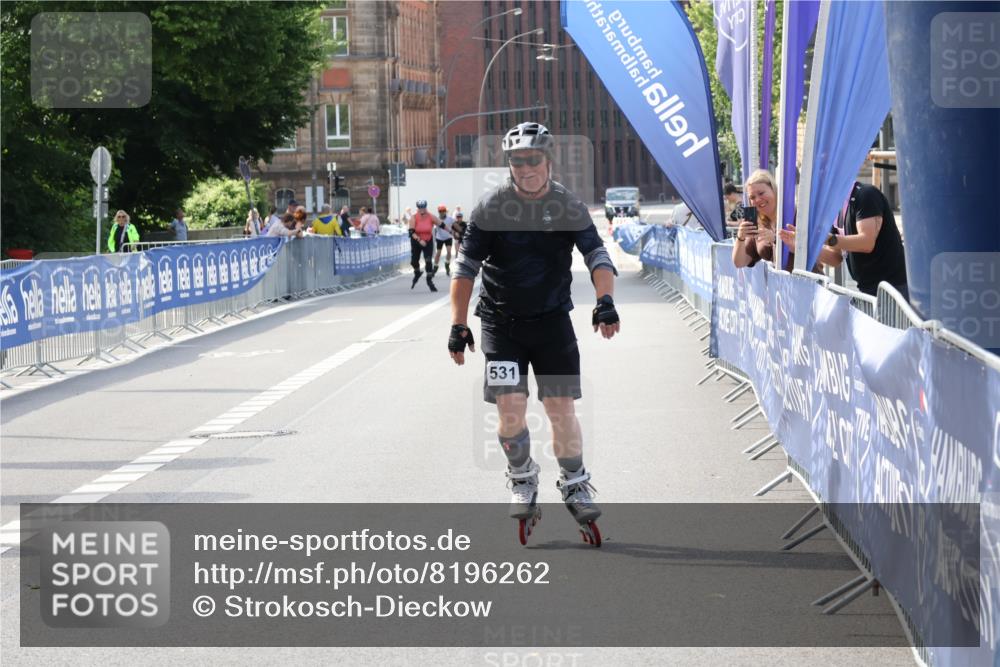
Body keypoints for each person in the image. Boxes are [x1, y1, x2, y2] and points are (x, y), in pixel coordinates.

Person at [448, 121, 619, 545]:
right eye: (516, 160)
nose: (524, 167)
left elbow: (596, 253)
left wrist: (605, 300)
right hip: (501, 325)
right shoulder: (491, 207)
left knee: (561, 410)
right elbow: (465, 266)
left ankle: (575, 482)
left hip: (551, 322)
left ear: (548, 160)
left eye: (532, 159)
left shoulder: (567, 205)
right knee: (510, 410)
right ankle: (522, 477)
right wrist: (458, 323)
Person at [779, 181, 908, 298]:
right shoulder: (834, 207)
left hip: (895, 288)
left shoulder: (865, 195)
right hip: (869, 290)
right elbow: (835, 258)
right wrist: (803, 246)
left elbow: (867, 243)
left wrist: (827, 239)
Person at [731, 169, 798, 271]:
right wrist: (740, 237)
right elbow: (739, 262)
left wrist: (775, 239)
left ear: (773, 190)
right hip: (779, 285)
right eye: (752, 197)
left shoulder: (794, 214)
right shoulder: (757, 223)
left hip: (807, 283)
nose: (757, 200)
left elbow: (808, 251)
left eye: (761, 193)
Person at [408, 200, 439, 292]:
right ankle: (417, 272)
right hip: (416, 241)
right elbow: (411, 232)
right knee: (414, 261)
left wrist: (451, 231)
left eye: (423, 207)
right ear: (417, 208)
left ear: (426, 207)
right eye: (420, 208)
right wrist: (419, 240)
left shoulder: (430, 216)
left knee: (428, 260)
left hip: (428, 240)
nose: (422, 209)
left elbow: (441, 224)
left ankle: (429, 280)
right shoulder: (413, 217)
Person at [432, 204, 454, 276]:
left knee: (449, 251)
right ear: (438, 212)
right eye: (440, 211)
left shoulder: (450, 218)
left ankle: (447, 264)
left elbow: (455, 225)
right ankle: (435, 266)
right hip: (440, 238)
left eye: (443, 211)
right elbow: (431, 226)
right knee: (438, 253)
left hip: (448, 237)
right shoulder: (437, 219)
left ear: (445, 211)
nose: (442, 212)